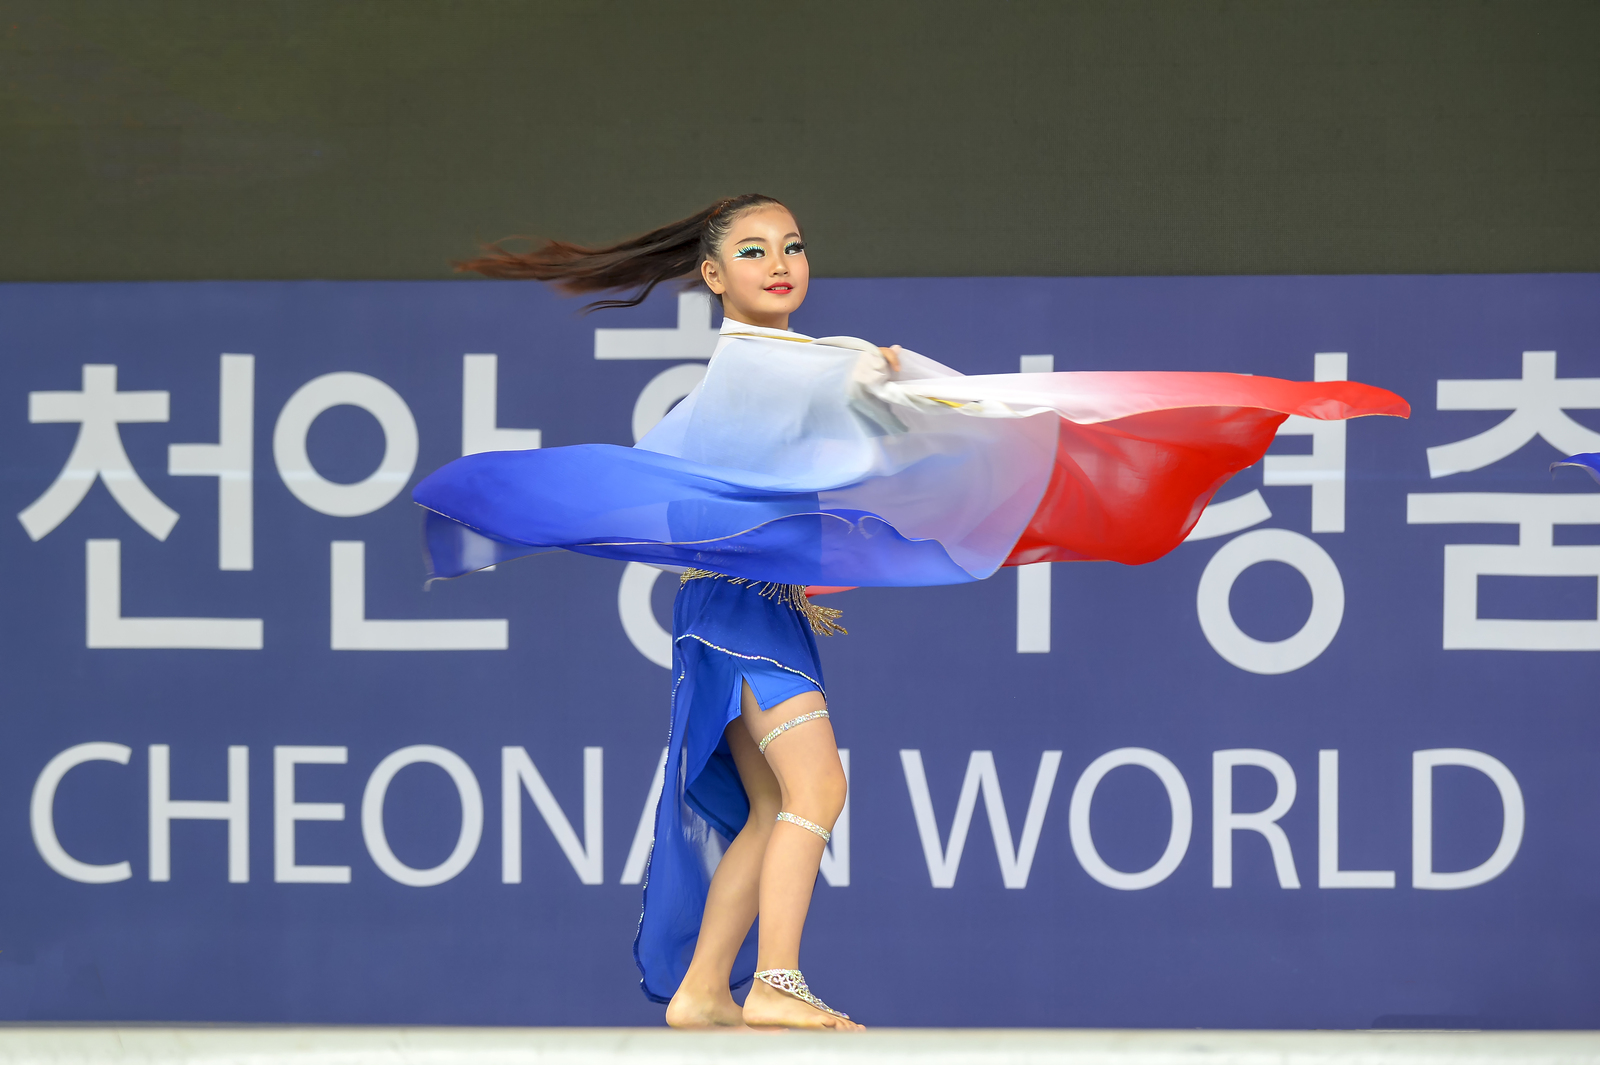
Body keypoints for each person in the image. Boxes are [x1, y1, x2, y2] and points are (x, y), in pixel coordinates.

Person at [417, 194, 1408, 1031]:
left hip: (738, 609)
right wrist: (914, 384)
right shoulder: (777, 362)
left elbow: (736, 491)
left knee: (770, 804)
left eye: (792, 246)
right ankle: (775, 981)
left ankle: (701, 990)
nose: (780, 263)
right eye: (753, 252)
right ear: (712, 276)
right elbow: (834, 413)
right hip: (739, 616)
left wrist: (793, 556)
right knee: (819, 787)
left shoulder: (742, 380)